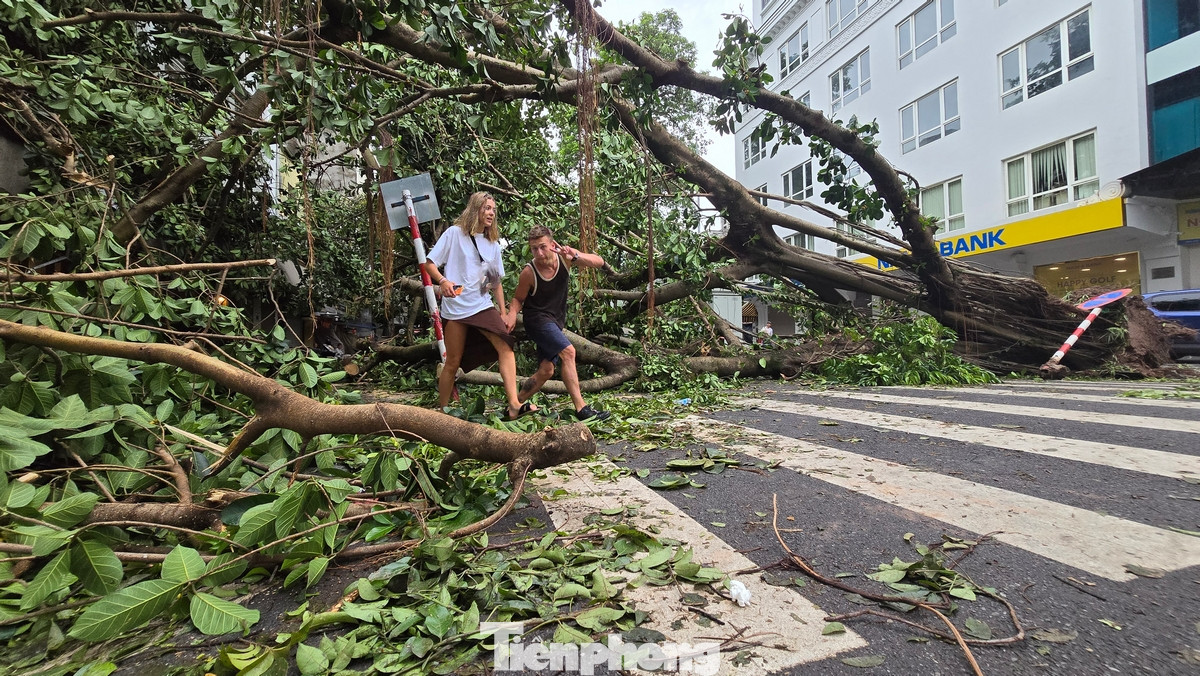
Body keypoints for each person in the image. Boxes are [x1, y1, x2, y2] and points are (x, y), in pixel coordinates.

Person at [423, 192, 534, 420]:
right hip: (455, 307)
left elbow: (495, 283)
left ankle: (514, 403)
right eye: (486, 208)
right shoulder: (454, 234)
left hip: (482, 305)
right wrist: (443, 281)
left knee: (505, 344)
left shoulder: (492, 243)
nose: (491, 213)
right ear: (475, 210)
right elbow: (429, 263)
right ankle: (443, 413)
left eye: (493, 209)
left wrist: (503, 313)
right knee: (452, 362)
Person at [504, 226, 610, 421]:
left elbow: (599, 262)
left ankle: (513, 407)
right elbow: (518, 299)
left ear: (553, 245)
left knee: (547, 371)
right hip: (536, 320)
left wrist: (575, 255)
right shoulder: (529, 272)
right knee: (568, 352)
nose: (539, 253)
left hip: (555, 320)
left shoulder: (565, 259)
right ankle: (582, 410)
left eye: (543, 247)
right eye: (534, 248)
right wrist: (511, 314)